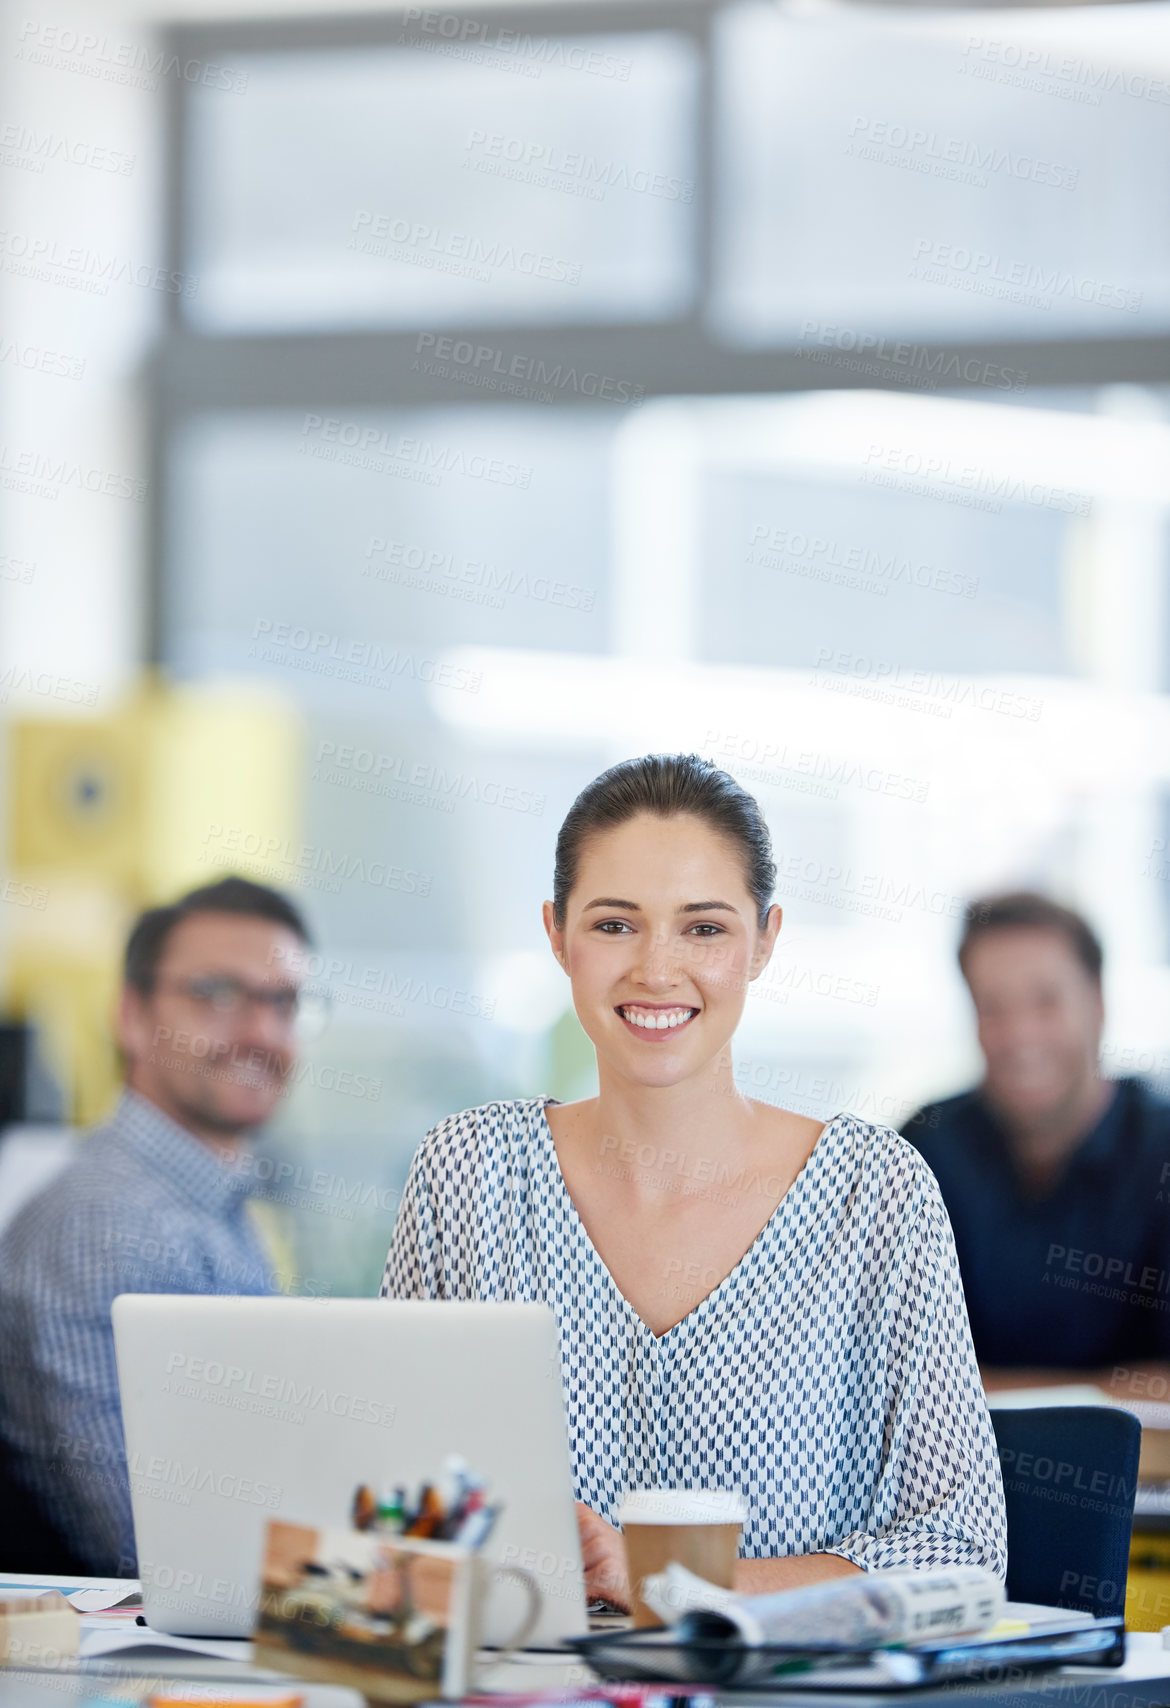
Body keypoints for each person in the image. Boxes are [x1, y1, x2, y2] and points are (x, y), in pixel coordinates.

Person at [382, 754, 1006, 1607]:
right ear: (557, 935)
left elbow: (963, 1549)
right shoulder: (469, 1174)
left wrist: (671, 1586)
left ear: (764, 942)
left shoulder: (876, 1193)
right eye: (614, 925)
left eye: (703, 929)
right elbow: (385, 1510)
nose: (657, 970)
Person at [0, 876, 312, 1575]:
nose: (262, 1032)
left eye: (283, 1002)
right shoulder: (105, 1225)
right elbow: (163, 1552)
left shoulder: (215, 1209)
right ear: (132, 1017)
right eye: (216, 995)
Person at [903, 892, 1170, 1398]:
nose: (1019, 1034)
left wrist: (989, 1394)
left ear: (1097, 1004)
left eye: (1046, 1001)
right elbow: (886, 1370)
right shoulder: (928, 1145)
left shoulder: (1159, 1149)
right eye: (992, 1007)